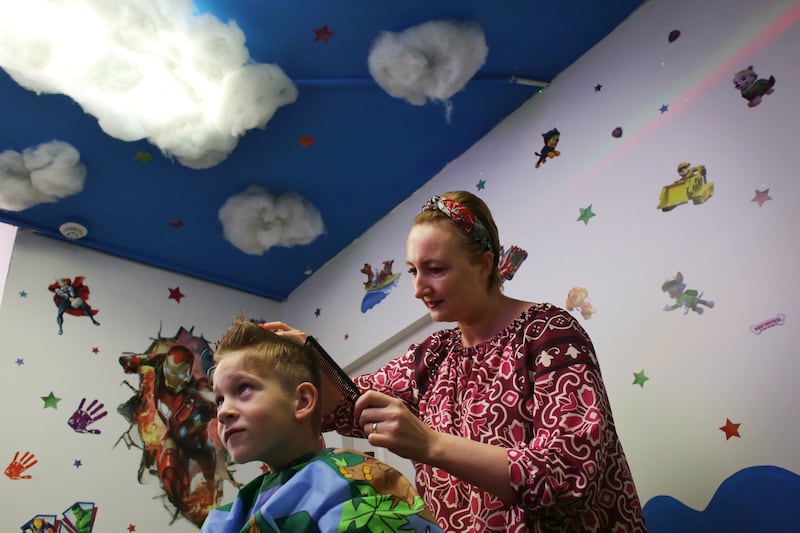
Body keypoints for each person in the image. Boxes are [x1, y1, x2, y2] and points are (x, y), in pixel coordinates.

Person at [264, 191, 647, 532]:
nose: (419, 289)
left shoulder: (548, 334)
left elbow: (569, 478)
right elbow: (349, 405)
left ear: (484, 265)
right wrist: (305, 358)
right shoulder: (431, 358)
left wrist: (429, 444)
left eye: (436, 269)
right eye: (413, 271)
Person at [199, 318, 443, 533]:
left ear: (302, 401)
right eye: (219, 400)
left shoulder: (357, 485)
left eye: (243, 389)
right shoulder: (227, 519)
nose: (223, 412)